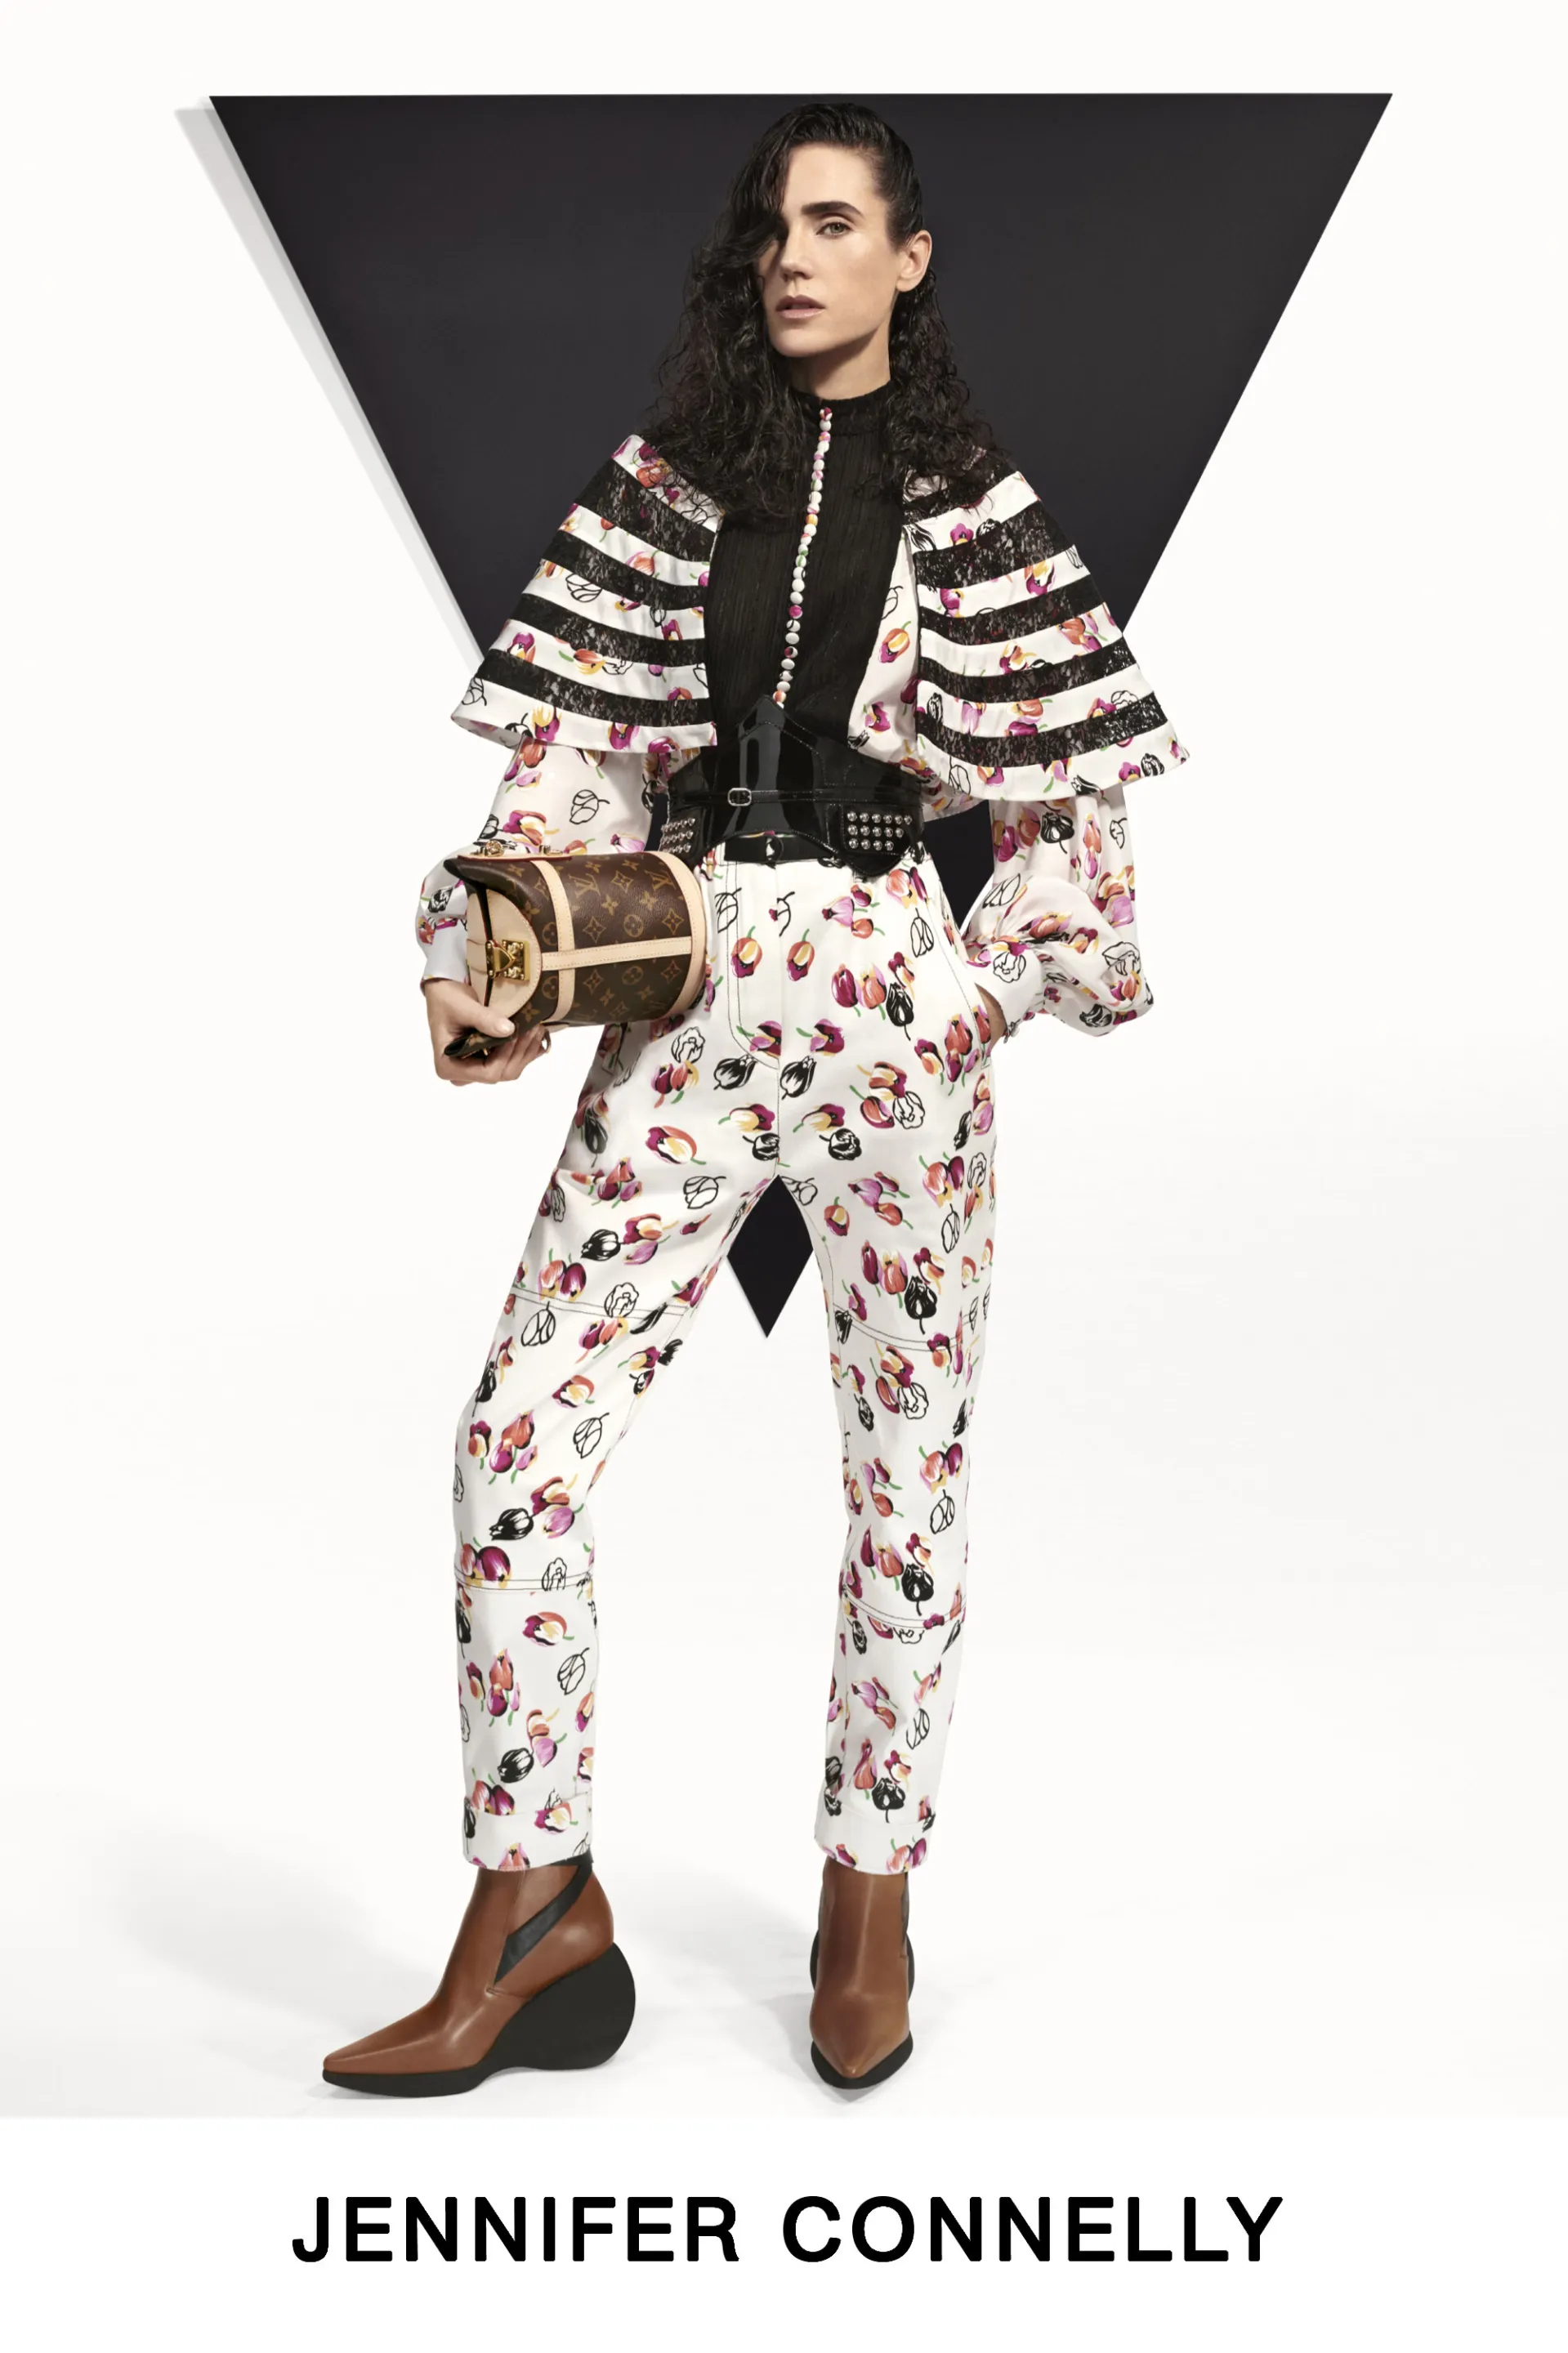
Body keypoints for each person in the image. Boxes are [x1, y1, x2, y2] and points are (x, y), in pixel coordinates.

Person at [322, 100, 1187, 2099]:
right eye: (772, 227)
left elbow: (1075, 850)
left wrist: (964, 999)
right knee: (513, 1446)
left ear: (908, 258)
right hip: (688, 1005)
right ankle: (532, 1905)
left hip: (893, 1018)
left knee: (905, 1476)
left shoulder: (978, 511)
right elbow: (572, 773)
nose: (794, 256)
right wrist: (492, 966)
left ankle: (866, 1901)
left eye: (834, 222)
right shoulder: (667, 488)